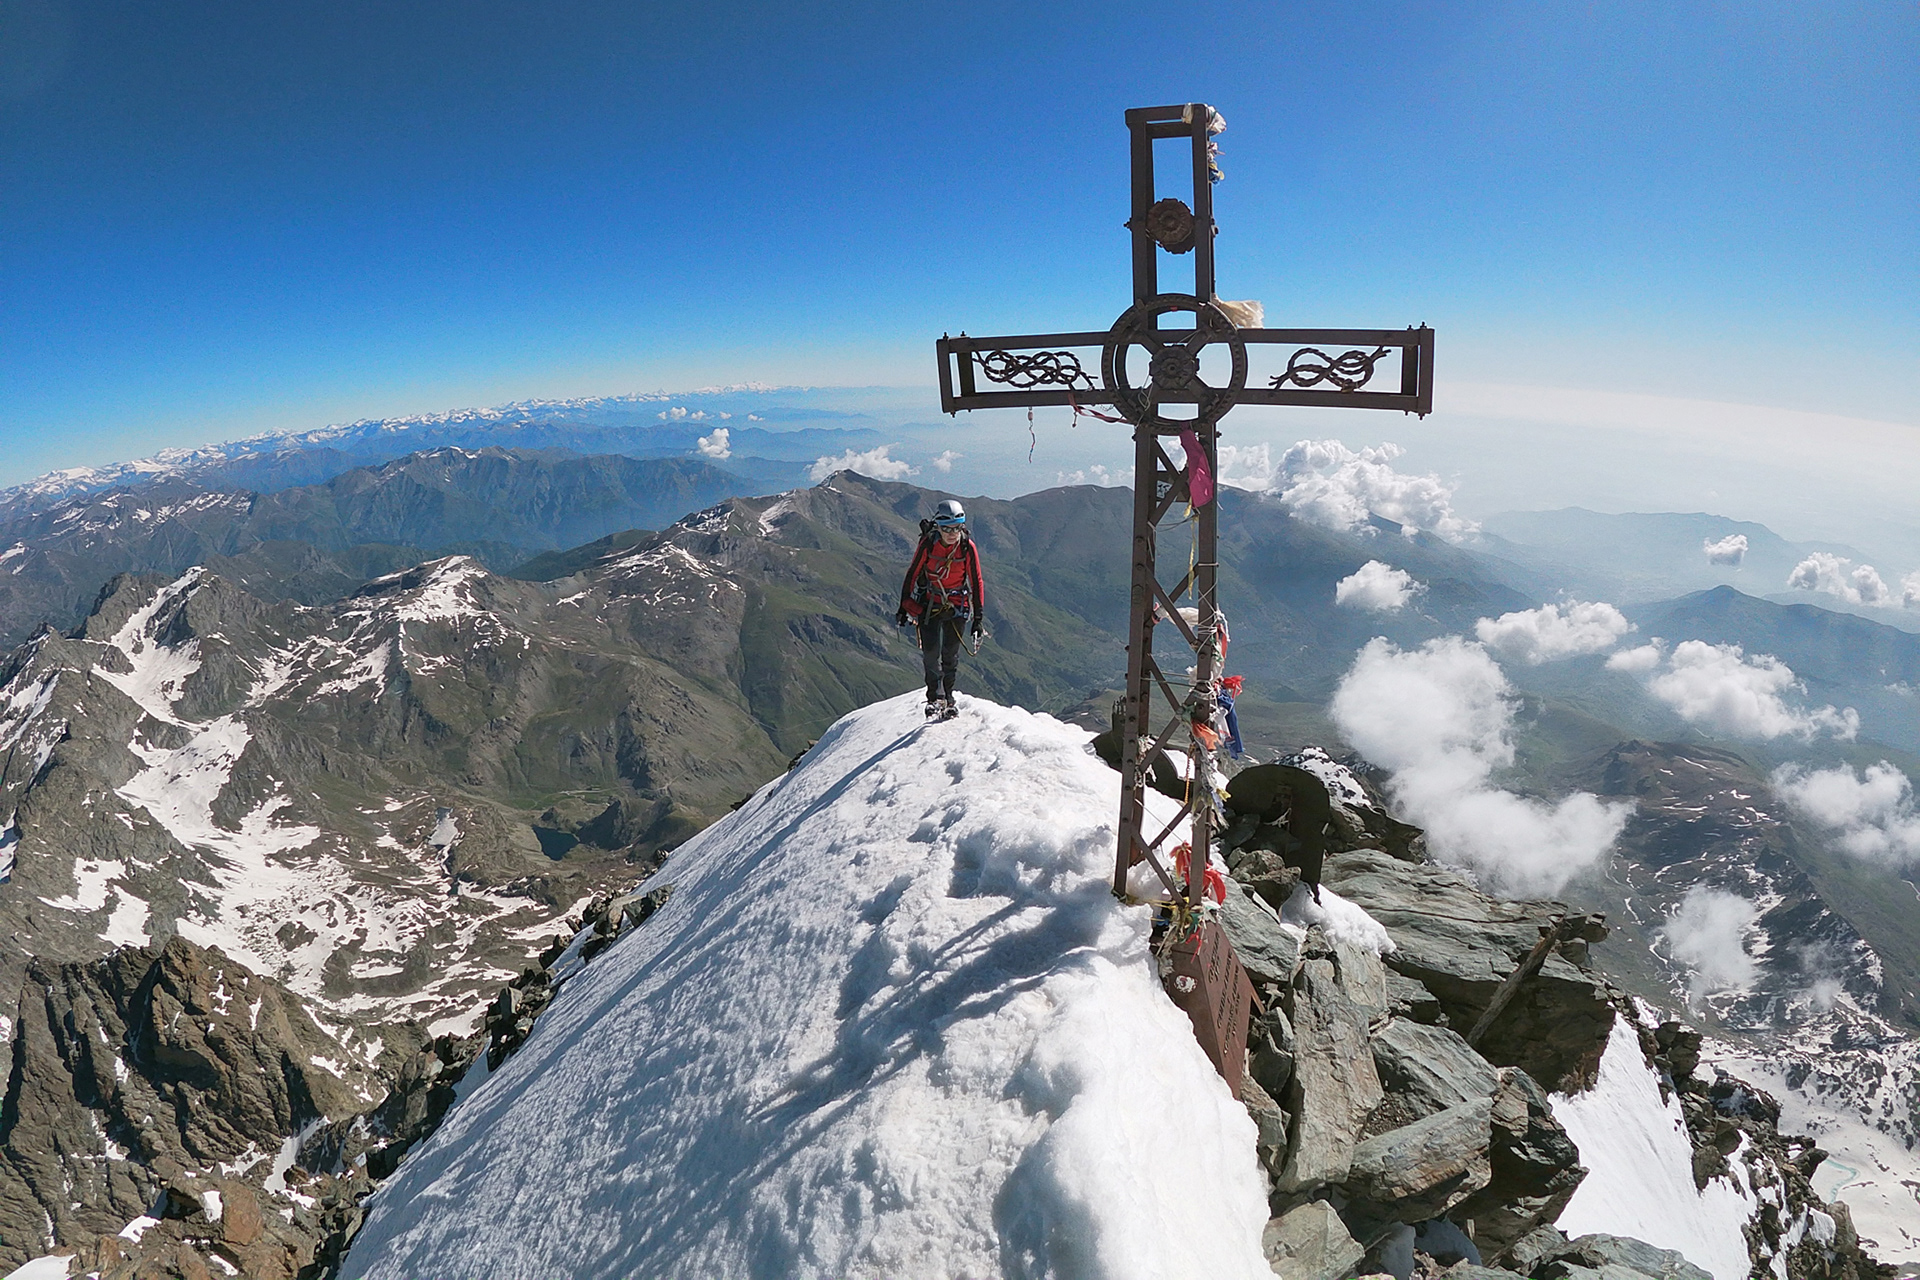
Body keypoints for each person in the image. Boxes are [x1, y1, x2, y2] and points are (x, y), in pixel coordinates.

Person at [895, 499, 985, 720]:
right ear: (939, 527)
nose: (953, 533)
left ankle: (949, 698)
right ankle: (934, 697)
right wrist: (903, 604)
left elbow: (976, 580)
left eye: (957, 528)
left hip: (955, 606)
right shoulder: (928, 544)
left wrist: (978, 618)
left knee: (950, 656)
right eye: (947, 529)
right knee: (931, 654)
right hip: (930, 605)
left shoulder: (967, 547)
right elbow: (912, 573)